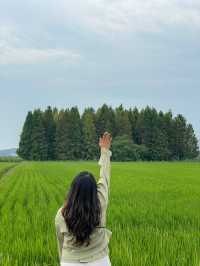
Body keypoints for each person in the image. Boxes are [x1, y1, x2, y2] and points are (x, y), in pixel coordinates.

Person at [55, 132, 112, 266]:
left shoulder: (62, 214)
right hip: (100, 260)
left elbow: (60, 242)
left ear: (73, 190)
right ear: (94, 191)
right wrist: (105, 151)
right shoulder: (100, 203)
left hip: (70, 262)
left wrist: (63, 260)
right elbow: (105, 176)